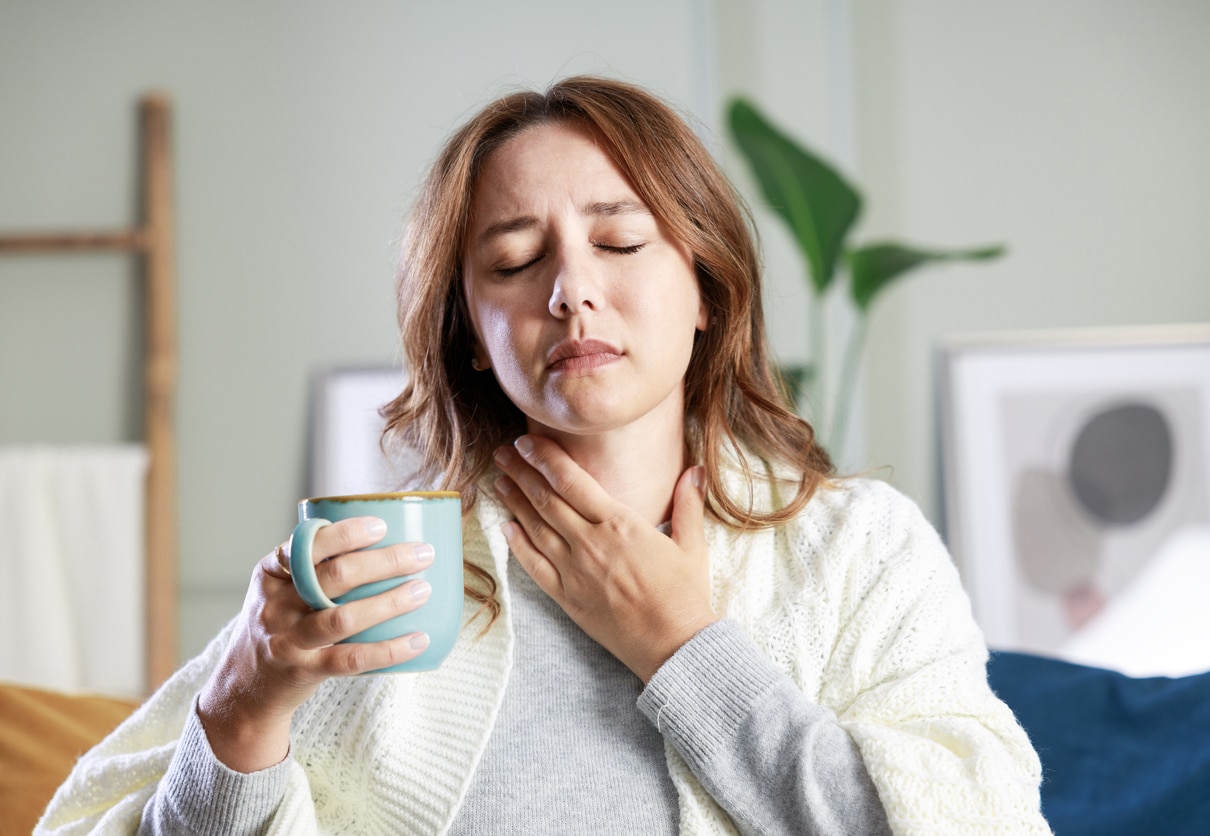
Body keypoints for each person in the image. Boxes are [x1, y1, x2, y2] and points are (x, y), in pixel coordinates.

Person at [38, 76, 1050, 835]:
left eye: (618, 242)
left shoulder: (856, 549)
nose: (570, 290)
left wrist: (685, 648)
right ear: (473, 333)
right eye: (516, 261)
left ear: (705, 288)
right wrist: (242, 707)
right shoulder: (383, 571)